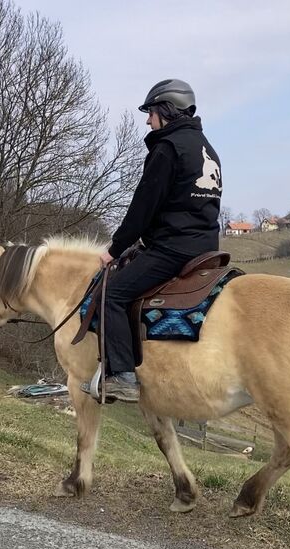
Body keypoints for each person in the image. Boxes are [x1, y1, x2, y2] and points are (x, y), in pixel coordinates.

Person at [82, 79, 222, 402]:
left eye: (151, 113)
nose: (148, 120)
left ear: (166, 112)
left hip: (173, 249)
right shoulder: (208, 150)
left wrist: (114, 250)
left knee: (111, 294)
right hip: (207, 249)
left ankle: (122, 377)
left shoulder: (168, 148)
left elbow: (142, 209)